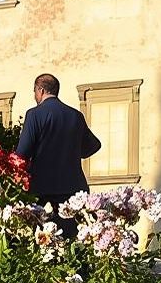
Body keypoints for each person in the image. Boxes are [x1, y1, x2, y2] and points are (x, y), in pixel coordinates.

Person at [14, 73, 101, 237]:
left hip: (44, 191)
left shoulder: (34, 115)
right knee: (73, 243)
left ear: (40, 90)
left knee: (46, 243)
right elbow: (94, 146)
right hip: (74, 191)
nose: (35, 96)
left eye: (34, 92)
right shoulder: (75, 116)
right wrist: (73, 151)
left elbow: (22, 154)